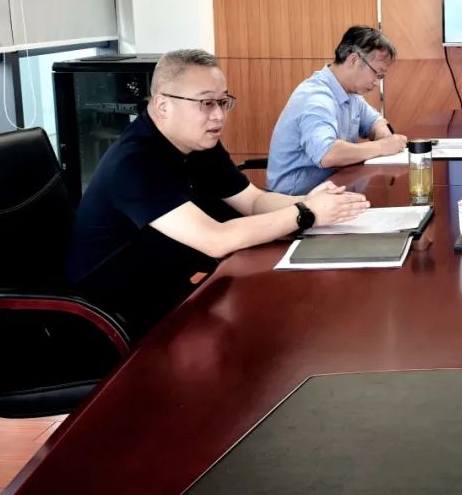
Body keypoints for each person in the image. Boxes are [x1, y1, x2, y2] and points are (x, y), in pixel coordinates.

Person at [67, 50, 370, 336]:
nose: (219, 115)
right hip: (114, 317)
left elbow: (253, 201)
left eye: (223, 102)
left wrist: (310, 202)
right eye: (206, 103)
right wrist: (306, 212)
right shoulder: (134, 163)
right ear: (163, 106)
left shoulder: (198, 142)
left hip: (174, 288)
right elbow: (215, 239)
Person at [267, 26, 407, 195]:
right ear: (354, 60)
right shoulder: (315, 96)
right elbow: (327, 154)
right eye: (377, 73)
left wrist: (385, 136)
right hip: (297, 200)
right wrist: (382, 147)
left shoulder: (351, 93)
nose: (377, 83)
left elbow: (375, 122)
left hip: (332, 190)